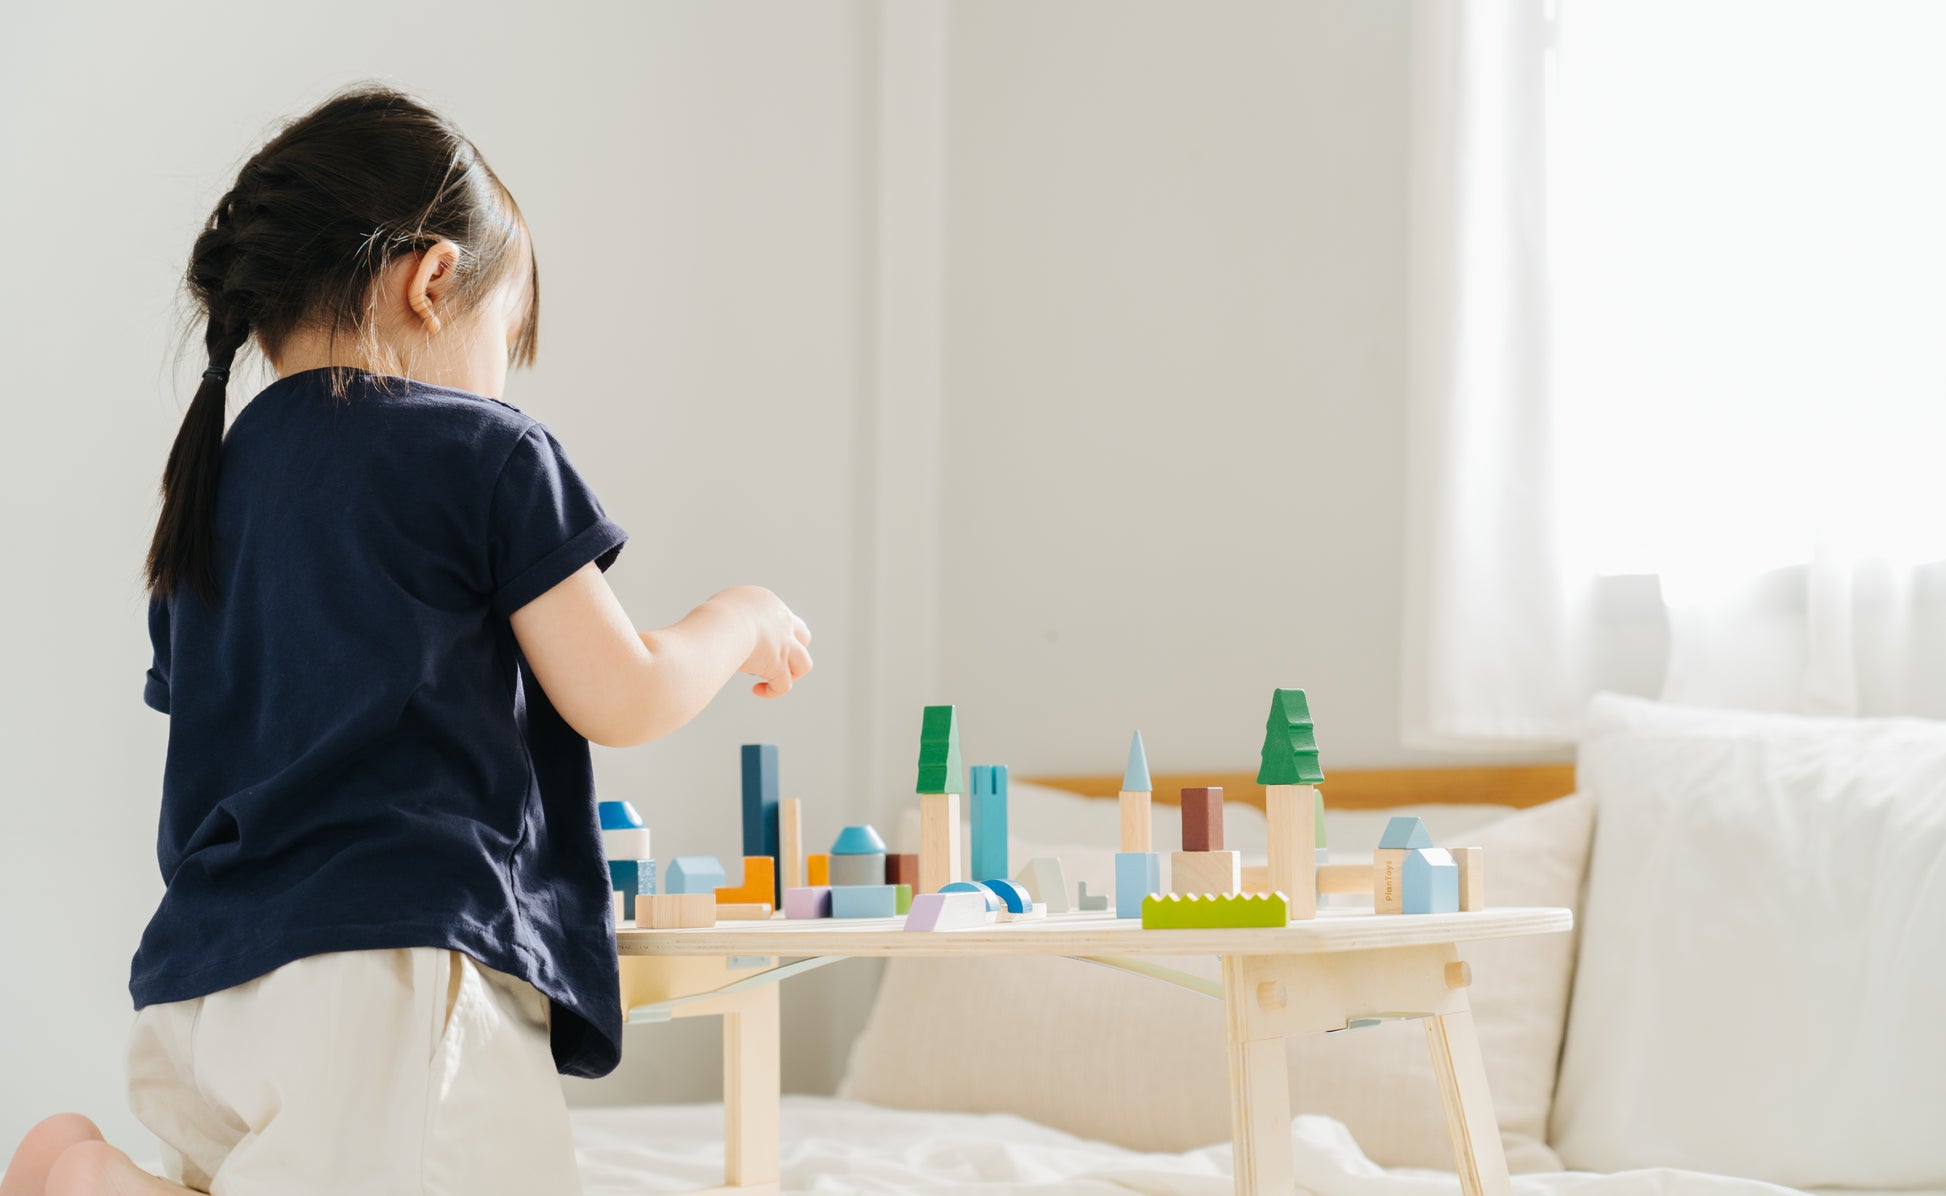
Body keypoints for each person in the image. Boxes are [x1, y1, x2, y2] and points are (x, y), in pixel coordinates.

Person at [0, 84, 811, 1196]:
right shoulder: (483, 453)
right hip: (381, 968)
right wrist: (742, 615)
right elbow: (622, 694)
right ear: (433, 282)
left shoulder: (210, 487)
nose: (503, 382)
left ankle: (92, 1176)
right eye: (504, 342)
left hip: (204, 982)